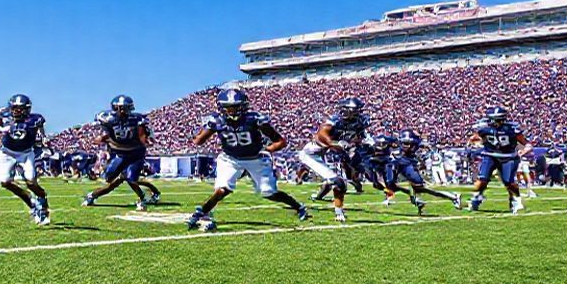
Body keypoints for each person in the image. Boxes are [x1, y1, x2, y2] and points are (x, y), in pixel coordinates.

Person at [187, 89, 307, 232]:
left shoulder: (255, 119)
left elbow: (280, 141)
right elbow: (199, 141)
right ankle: (200, 213)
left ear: (244, 106)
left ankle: (298, 207)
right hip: (230, 159)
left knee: (269, 193)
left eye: (235, 107)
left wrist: (268, 150)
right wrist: (199, 132)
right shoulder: (217, 121)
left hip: (255, 159)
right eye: (228, 108)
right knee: (221, 190)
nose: (232, 111)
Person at [298, 97, 369, 222]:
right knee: (338, 182)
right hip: (312, 153)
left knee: (338, 181)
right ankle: (338, 213)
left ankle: (329, 203)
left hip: (328, 153)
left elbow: (358, 138)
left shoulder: (358, 123)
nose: (358, 113)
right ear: (346, 110)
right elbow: (321, 135)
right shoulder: (335, 120)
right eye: (355, 110)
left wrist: (354, 145)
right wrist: (334, 144)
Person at [82, 95, 158, 210]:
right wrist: (102, 139)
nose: (123, 111)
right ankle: (93, 195)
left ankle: (143, 199)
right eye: (121, 108)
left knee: (131, 178)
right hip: (120, 154)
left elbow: (143, 137)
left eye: (125, 108)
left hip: (135, 154)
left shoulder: (137, 120)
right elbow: (103, 135)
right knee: (109, 180)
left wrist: (147, 140)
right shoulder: (108, 119)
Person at [0, 94, 50, 225]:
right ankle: (31, 202)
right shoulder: (4, 116)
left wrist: (43, 137)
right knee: (5, 182)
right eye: (14, 108)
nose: (16, 111)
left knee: (31, 181)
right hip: (6, 152)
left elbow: (40, 128)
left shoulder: (35, 119)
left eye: (20, 109)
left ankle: (42, 201)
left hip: (26, 152)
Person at [467, 107, 531, 214]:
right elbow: (474, 138)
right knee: (482, 179)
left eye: (494, 119)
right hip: (490, 155)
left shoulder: (512, 129)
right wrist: (476, 143)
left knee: (509, 182)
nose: (491, 121)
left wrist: (523, 151)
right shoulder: (484, 128)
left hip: (508, 157)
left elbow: (527, 144)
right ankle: (477, 197)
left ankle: (516, 201)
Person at [386, 130, 462, 215]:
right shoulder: (396, 153)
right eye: (405, 143)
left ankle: (453, 197)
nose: (406, 146)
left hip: (409, 167)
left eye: (408, 143)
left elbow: (419, 146)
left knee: (422, 187)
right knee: (398, 185)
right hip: (402, 169)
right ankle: (417, 201)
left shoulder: (409, 152)